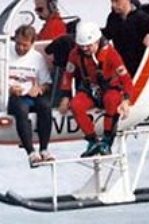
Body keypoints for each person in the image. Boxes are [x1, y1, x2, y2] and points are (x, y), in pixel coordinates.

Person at [57, 21, 134, 157]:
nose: (86, 49)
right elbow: (68, 75)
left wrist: (126, 100)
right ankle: (92, 140)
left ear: (97, 41)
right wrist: (65, 96)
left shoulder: (111, 54)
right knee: (76, 105)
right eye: (82, 47)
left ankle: (107, 140)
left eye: (88, 46)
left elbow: (126, 79)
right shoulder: (75, 54)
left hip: (110, 89)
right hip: (90, 89)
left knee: (112, 100)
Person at [0, 25, 54, 167]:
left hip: (30, 94)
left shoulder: (37, 58)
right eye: (18, 44)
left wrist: (39, 88)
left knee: (46, 106)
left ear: (32, 44)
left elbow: (47, 84)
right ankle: (31, 152)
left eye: (25, 45)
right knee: (21, 109)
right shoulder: (2, 54)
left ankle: (44, 149)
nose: (21, 48)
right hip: (10, 97)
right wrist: (8, 89)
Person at [102, 0, 149, 77]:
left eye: (117, 2)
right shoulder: (112, 18)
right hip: (122, 66)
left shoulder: (142, 18)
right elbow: (107, 34)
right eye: (112, 2)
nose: (113, 5)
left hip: (140, 66)